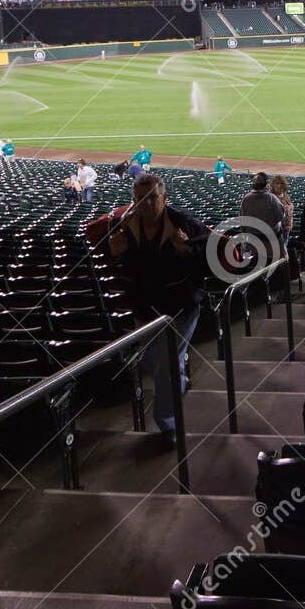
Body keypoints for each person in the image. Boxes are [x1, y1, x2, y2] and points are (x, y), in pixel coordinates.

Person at [84, 175, 214, 448]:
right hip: (144, 310)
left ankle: (168, 424)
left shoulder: (186, 225)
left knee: (165, 365)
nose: (146, 203)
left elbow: (208, 266)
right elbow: (119, 269)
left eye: (152, 197)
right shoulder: (124, 228)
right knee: (155, 364)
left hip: (180, 308)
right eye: (140, 198)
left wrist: (187, 253)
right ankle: (179, 381)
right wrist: (114, 254)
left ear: (165, 199)